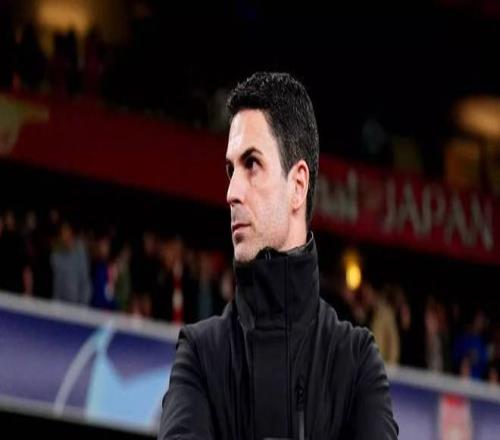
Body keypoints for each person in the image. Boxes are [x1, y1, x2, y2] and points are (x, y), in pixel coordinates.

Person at [159, 72, 399, 439]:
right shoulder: (200, 355)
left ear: (297, 185)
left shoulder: (355, 361)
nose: (231, 191)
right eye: (230, 170)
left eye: (251, 164)